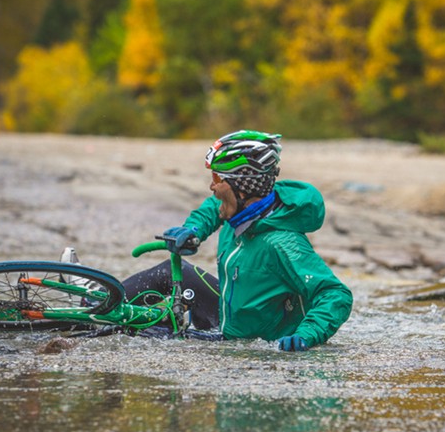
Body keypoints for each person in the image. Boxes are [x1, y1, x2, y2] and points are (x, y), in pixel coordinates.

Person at [120, 130, 353, 351]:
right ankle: (95, 309)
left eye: (218, 178)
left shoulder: (283, 244)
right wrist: (193, 229)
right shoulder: (240, 216)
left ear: (242, 189)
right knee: (166, 273)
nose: (212, 186)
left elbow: (335, 294)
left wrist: (306, 335)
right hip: (227, 315)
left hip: (258, 344)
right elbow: (213, 207)